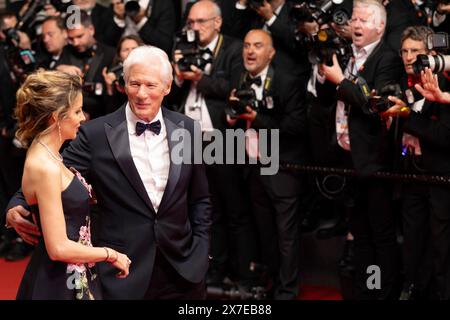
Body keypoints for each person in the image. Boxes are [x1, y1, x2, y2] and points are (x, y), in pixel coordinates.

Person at [5, 46, 212, 300]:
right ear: (123, 85)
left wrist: (201, 249)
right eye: (134, 84)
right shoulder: (95, 134)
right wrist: (16, 204)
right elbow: (49, 170)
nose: (142, 94)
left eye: (151, 85)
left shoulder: (187, 129)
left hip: (183, 270)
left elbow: (200, 197)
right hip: (122, 274)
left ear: (167, 87)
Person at [11, 69, 131, 300]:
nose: (83, 117)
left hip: (74, 274)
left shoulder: (50, 154)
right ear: (57, 116)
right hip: (58, 283)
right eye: (76, 111)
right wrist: (111, 255)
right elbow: (58, 248)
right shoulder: (44, 166)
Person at [317, 0, 403, 299]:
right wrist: (324, 76)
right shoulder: (345, 53)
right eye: (354, 19)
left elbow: (374, 107)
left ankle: (383, 292)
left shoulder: (388, 59)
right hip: (345, 157)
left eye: (364, 20)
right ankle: (367, 290)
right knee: (359, 234)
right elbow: (326, 98)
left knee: (381, 234)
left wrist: (340, 80)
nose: (355, 24)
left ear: (380, 26)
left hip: (374, 161)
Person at [228, 29, 307, 299]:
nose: (250, 51)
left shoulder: (287, 81)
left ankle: (287, 291)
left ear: (271, 53)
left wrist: (256, 117)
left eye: (258, 46)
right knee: (265, 232)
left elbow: (296, 127)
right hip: (252, 166)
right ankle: (271, 283)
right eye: (247, 45)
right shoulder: (240, 78)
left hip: (282, 167)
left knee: (286, 235)